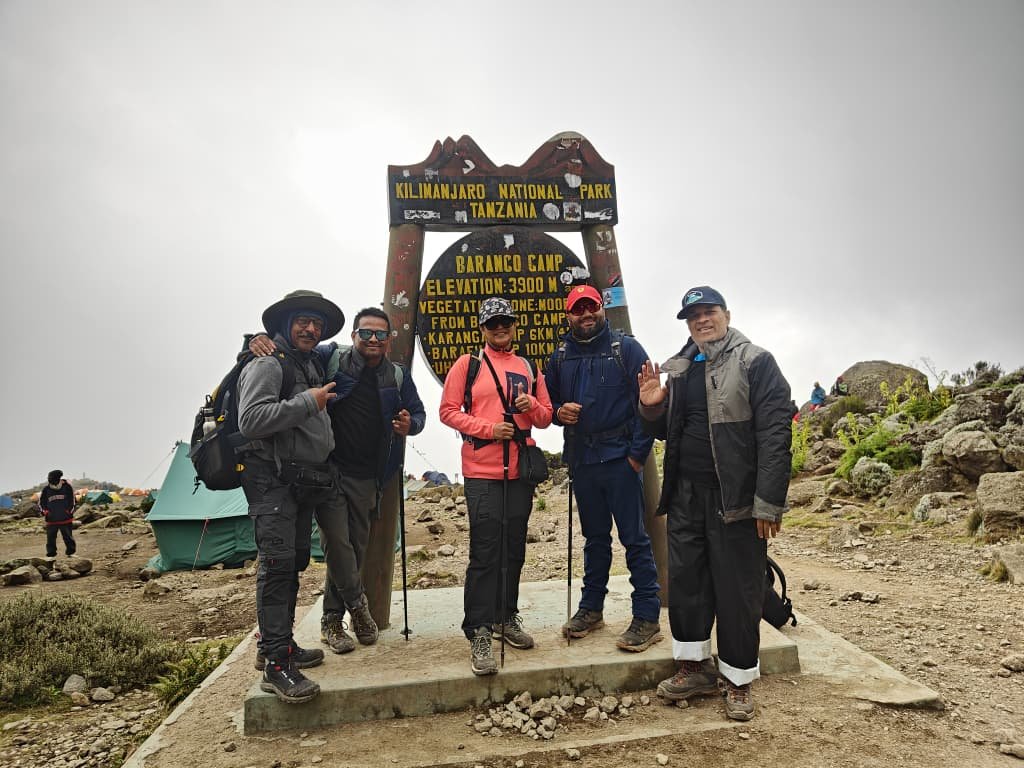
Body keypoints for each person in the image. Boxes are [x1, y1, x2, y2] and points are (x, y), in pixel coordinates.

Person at [637, 285, 795, 722]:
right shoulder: (683, 366)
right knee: (687, 585)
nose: (701, 321)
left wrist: (768, 503)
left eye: (708, 312)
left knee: (738, 591)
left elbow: (776, 436)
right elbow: (671, 430)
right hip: (686, 496)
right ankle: (694, 667)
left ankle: (739, 680)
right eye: (693, 316)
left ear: (727, 313)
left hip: (738, 502)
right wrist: (652, 409)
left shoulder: (756, 362)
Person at [250, 306, 427, 655]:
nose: (372, 339)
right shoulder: (331, 358)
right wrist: (254, 342)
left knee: (353, 549)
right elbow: (289, 350)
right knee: (337, 546)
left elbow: (418, 414)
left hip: (367, 476)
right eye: (366, 333)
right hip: (326, 470)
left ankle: (336, 616)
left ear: (389, 339)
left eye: (380, 334)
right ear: (353, 336)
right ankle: (341, 617)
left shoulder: (397, 376)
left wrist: (411, 425)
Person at [237, 289, 344, 704]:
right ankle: (276, 665)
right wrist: (307, 402)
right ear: (283, 325)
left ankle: (278, 646)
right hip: (271, 483)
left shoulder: (310, 360)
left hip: (298, 482)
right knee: (278, 567)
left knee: (293, 563)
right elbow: (251, 420)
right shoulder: (266, 363)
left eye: (316, 323)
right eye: (303, 320)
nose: (311, 328)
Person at [438, 296, 553, 676]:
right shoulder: (467, 365)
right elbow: (448, 411)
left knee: (514, 548)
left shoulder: (528, 366)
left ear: (514, 325)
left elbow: (545, 417)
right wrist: (489, 429)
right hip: (482, 472)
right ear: (483, 329)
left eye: (505, 322)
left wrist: (529, 409)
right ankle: (479, 629)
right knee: (485, 551)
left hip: (519, 471)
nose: (499, 328)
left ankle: (506, 616)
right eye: (492, 324)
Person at [544, 284, 662, 652]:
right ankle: (591, 609)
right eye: (577, 310)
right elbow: (547, 406)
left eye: (591, 307)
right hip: (583, 461)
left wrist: (636, 456)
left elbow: (647, 404)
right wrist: (558, 414)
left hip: (620, 461)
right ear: (568, 315)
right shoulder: (559, 357)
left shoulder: (626, 349)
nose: (585, 315)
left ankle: (647, 616)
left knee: (635, 540)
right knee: (594, 540)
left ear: (601, 309)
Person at [39, 470, 76, 557]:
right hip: (51, 519)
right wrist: (46, 512)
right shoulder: (46, 489)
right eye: (48, 478)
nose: (49, 479)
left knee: (68, 536)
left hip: (65, 518)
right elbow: (41, 503)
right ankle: (51, 553)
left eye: (50, 478)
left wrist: (68, 511)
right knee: (50, 538)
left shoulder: (67, 487)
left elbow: (72, 501)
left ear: (57, 478)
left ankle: (70, 552)